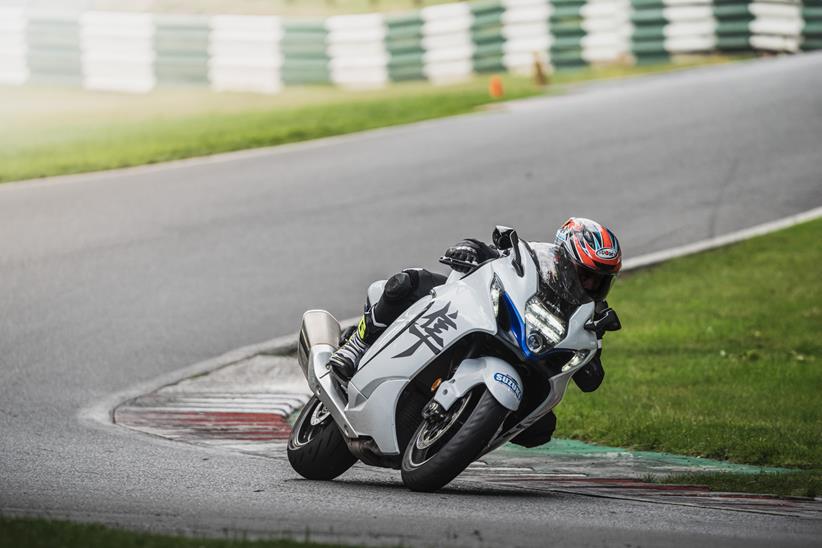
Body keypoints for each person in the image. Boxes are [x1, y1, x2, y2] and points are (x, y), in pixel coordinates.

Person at [327, 217, 622, 447]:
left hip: (523, 360)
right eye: (585, 275)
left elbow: (591, 379)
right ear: (563, 259)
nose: (591, 285)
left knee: (542, 430)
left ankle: (468, 431)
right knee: (406, 283)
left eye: (600, 280)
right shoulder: (533, 262)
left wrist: (593, 350)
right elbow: (492, 253)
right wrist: (469, 248)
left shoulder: (588, 316)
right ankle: (358, 345)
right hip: (478, 317)